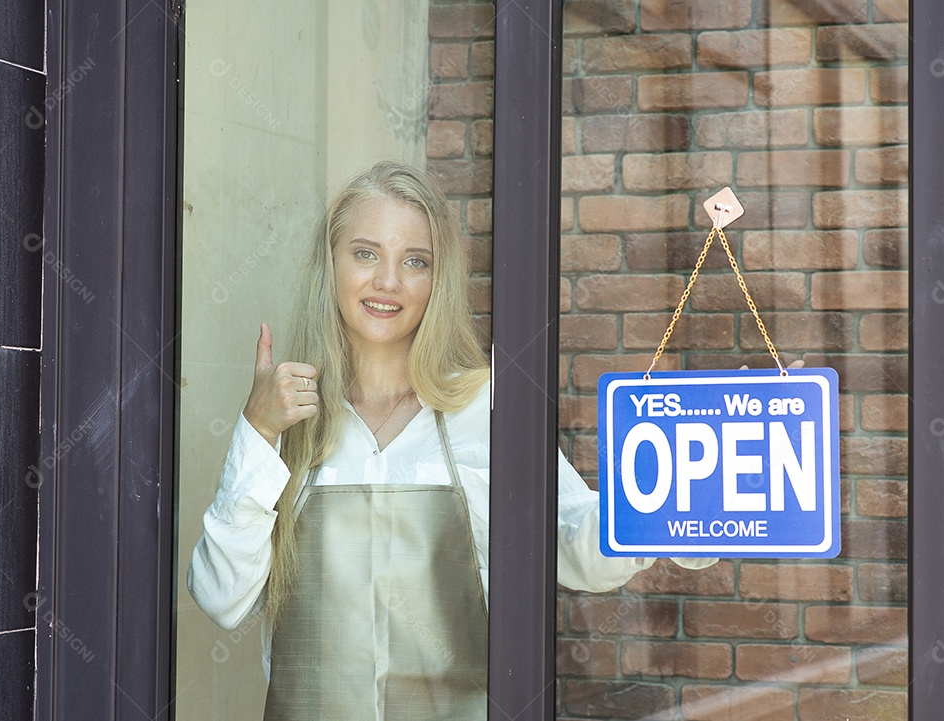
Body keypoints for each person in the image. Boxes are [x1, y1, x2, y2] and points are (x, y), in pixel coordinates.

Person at [187, 161, 717, 721]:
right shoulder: (285, 418)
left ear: (437, 281)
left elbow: (577, 544)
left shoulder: (486, 409)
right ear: (330, 263)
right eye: (365, 253)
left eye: (414, 262)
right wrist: (258, 431)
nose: (387, 281)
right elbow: (222, 600)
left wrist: (686, 492)